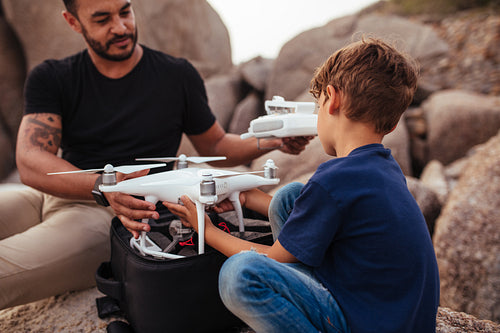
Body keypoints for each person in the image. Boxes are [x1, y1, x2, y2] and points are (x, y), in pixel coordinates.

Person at [0, 0, 312, 310]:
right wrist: (101, 186)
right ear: (73, 22)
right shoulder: (52, 76)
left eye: (125, 11)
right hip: (51, 195)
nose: (121, 27)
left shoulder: (176, 76)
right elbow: (30, 159)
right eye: (102, 19)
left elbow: (215, 146)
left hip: (113, 216)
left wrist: (272, 142)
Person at [165, 37, 440, 332]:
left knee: (240, 274)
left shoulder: (336, 178)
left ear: (332, 99)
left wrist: (204, 228)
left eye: (318, 104)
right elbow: (320, 213)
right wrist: (246, 195)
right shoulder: (382, 168)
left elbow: (274, 259)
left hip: (364, 322)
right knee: (291, 197)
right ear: (393, 123)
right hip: (394, 314)